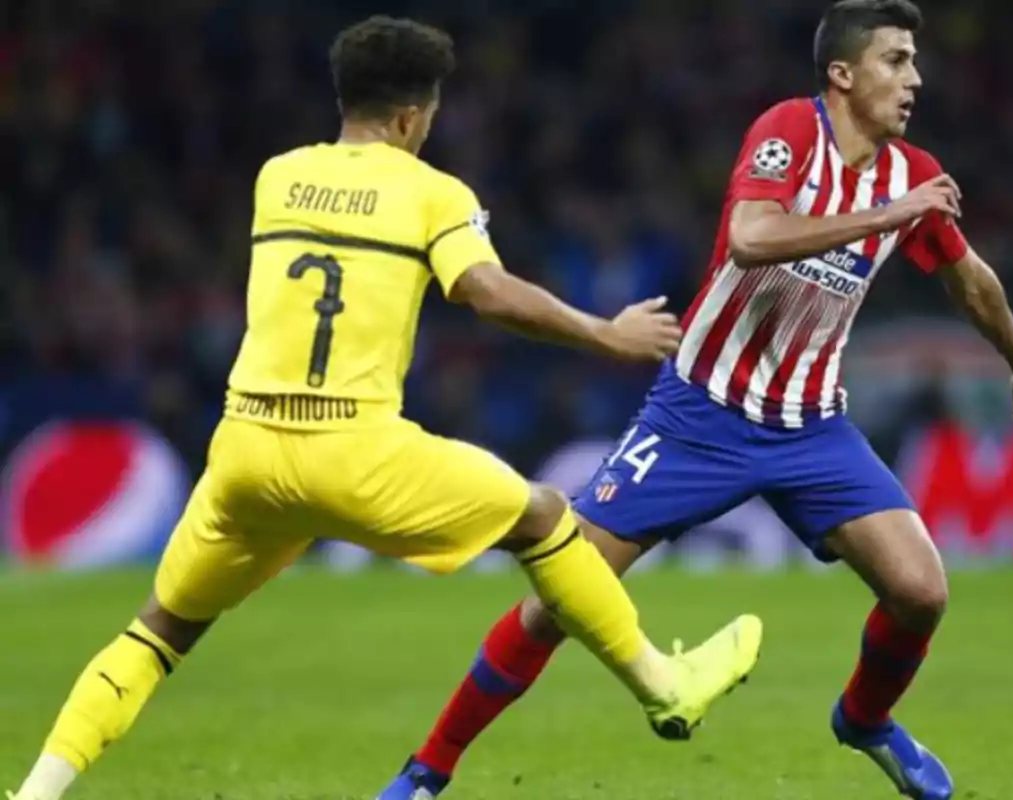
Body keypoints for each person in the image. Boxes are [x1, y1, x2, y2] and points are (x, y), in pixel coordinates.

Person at [6, 16, 765, 800]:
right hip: (350, 449)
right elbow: (486, 292)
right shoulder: (432, 192)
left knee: (158, 631)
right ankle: (661, 684)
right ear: (411, 116)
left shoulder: (278, 176)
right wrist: (602, 332)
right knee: (543, 517)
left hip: (244, 454)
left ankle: (37, 793)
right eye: (429, 116)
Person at [380, 2, 1013, 799]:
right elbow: (751, 235)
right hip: (698, 417)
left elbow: (965, 273)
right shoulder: (790, 132)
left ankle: (865, 720)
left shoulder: (911, 174)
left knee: (921, 592)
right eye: (896, 60)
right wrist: (887, 215)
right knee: (560, 600)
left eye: (913, 62)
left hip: (813, 427)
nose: (915, 79)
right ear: (843, 74)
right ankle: (427, 771)